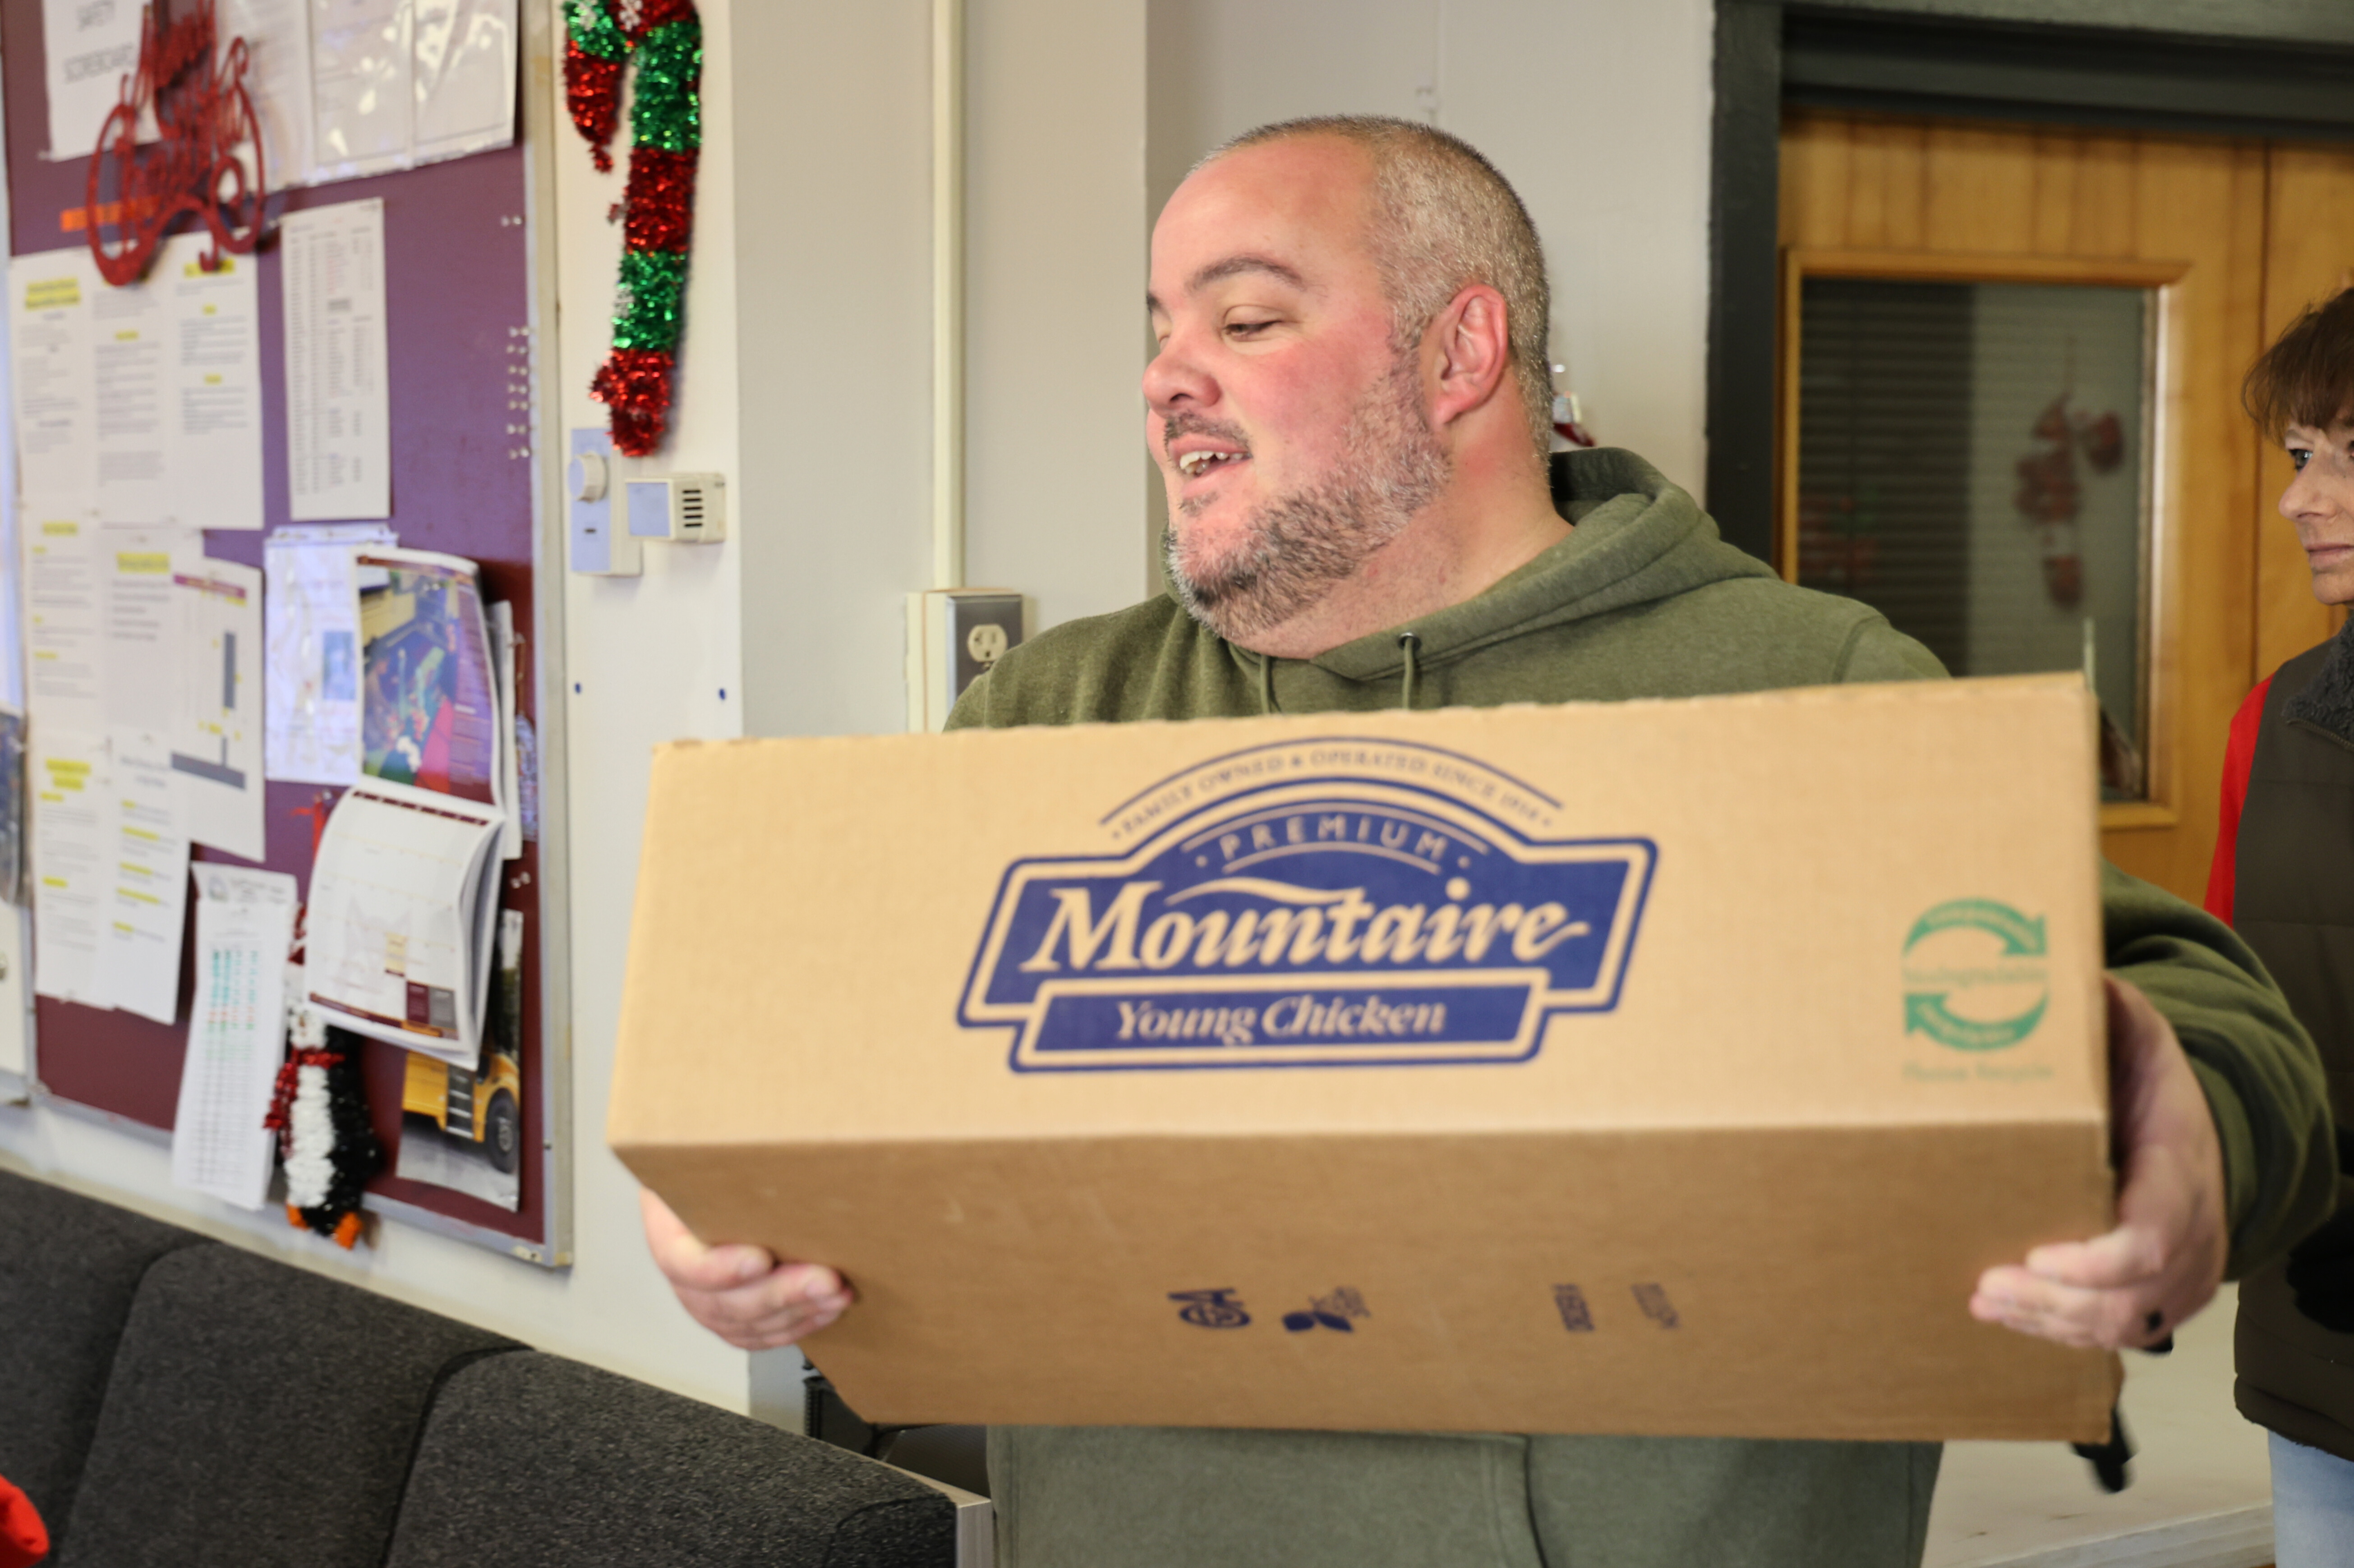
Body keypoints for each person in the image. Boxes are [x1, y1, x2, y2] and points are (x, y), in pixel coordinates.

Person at [643, 117, 2335, 1566]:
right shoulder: (1056, 720)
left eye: (1243, 315)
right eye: (1160, 327)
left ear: (1458, 356)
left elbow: (2197, 1011)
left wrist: (2185, 1134)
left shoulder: (1788, 679)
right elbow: (838, 1078)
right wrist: (734, 1210)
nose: (1167, 375)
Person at [2203, 285, 2354, 1567]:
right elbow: (2222, 1010)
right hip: (2316, 1328)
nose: (2301, 499)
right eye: (2302, 455)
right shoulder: (2274, 717)